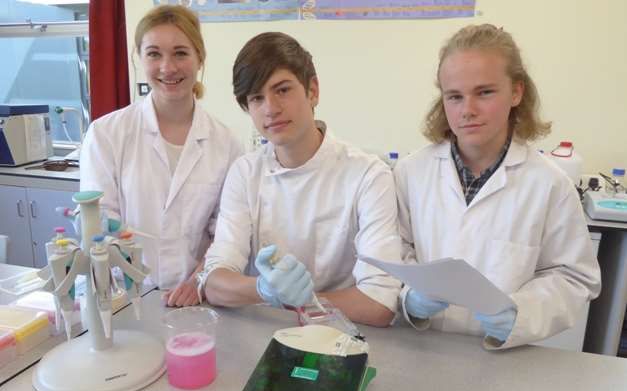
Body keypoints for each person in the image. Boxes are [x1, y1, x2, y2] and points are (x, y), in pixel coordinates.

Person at [394, 24, 601, 349]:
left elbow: (574, 278)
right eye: (455, 96)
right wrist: (410, 297)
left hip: (503, 360)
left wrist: (523, 314)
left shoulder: (549, 184)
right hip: (421, 349)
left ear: (516, 92)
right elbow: (395, 251)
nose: (468, 110)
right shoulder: (411, 172)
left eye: (485, 92)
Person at [192, 32, 401, 326]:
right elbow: (214, 283)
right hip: (263, 335)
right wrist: (264, 289)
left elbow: (379, 303)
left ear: (312, 90)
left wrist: (303, 300)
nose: (271, 108)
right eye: (257, 98)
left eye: (282, 90)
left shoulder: (367, 174)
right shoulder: (245, 172)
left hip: (341, 338)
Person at [80, 5, 242, 305]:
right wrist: (129, 273)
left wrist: (199, 280)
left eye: (180, 53)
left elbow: (228, 233)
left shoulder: (227, 143)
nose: (168, 67)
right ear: (139, 58)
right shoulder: (106, 134)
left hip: (198, 298)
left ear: (199, 59)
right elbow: (99, 220)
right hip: (123, 298)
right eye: (154, 54)